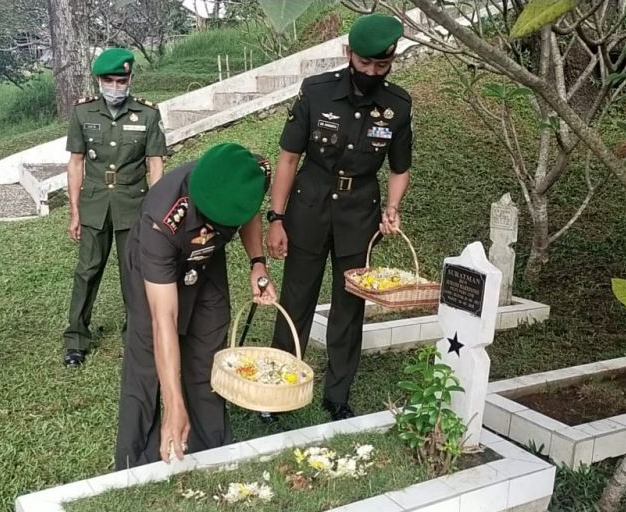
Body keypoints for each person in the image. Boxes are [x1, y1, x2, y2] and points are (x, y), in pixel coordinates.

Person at [266, 13, 414, 421]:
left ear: (392, 60)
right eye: (364, 63)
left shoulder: (397, 106)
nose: (371, 72)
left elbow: (399, 168)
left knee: (350, 307)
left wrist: (393, 208)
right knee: (297, 298)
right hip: (309, 208)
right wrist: (276, 217)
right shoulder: (316, 93)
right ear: (349, 54)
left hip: (359, 217)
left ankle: (337, 395)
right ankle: (280, 387)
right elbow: (289, 157)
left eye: (381, 66)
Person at [115, 142, 275, 469]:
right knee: (147, 359)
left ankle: (210, 449)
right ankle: (136, 463)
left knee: (208, 352)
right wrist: (173, 404)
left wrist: (257, 264)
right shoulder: (161, 218)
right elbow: (164, 318)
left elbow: (250, 211)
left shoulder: (250, 171)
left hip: (206, 261)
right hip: (160, 263)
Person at [62, 48, 167, 367]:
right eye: (108, 80)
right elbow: (75, 163)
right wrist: (75, 211)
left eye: (121, 80)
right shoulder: (83, 113)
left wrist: (155, 211)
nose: (115, 86)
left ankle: (135, 337)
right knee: (87, 271)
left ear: (130, 79)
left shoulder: (147, 115)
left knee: (133, 275)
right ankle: (76, 339)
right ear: (98, 81)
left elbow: (155, 163)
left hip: (133, 205)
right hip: (95, 204)